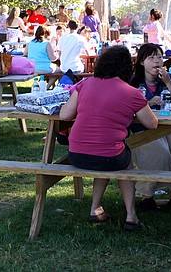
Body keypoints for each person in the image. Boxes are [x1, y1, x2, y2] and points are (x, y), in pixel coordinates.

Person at [60, 45, 157, 229]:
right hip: (108, 156)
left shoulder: (84, 84)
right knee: (120, 157)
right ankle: (131, 215)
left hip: (76, 154)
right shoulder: (132, 93)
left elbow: (65, 115)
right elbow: (152, 124)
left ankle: (95, 209)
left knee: (106, 152)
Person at [129, 43, 171, 211]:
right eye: (152, 57)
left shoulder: (170, 79)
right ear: (142, 62)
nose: (157, 61)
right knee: (159, 154)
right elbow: (126, 109)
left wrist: (169, 82)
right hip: (144, 129)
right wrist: (146, 104)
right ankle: (147, 197)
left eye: (159, 57)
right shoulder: (133, 83)